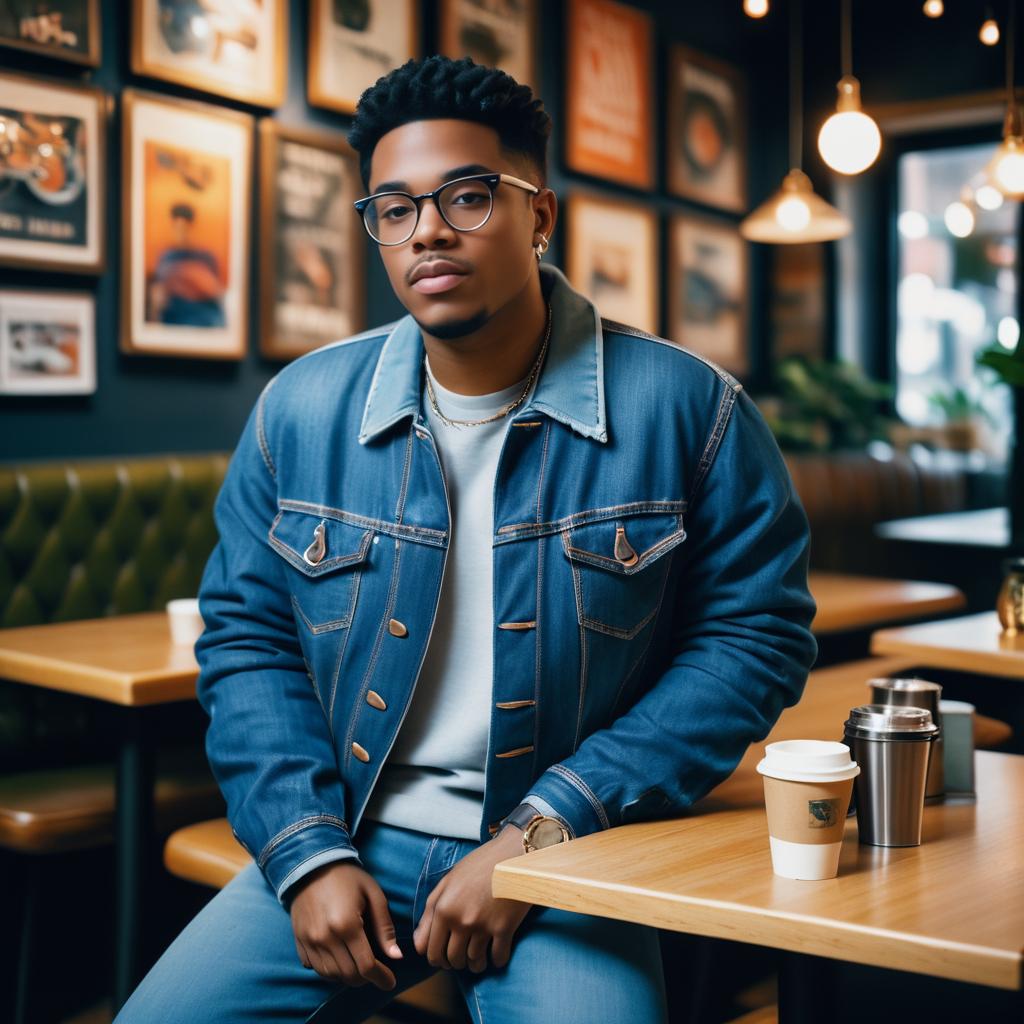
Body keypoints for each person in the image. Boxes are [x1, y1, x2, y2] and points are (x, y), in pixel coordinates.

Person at [115, 55, 816, 1024]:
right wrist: (305, 852)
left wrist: (543, 830)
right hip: (351, 834)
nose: (428, 230)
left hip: (573, 844)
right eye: (393, 209)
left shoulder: (689, 410)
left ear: (539, 214)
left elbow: (754, 639)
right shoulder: (303, 410)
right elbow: (247, 640)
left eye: (468, 196)